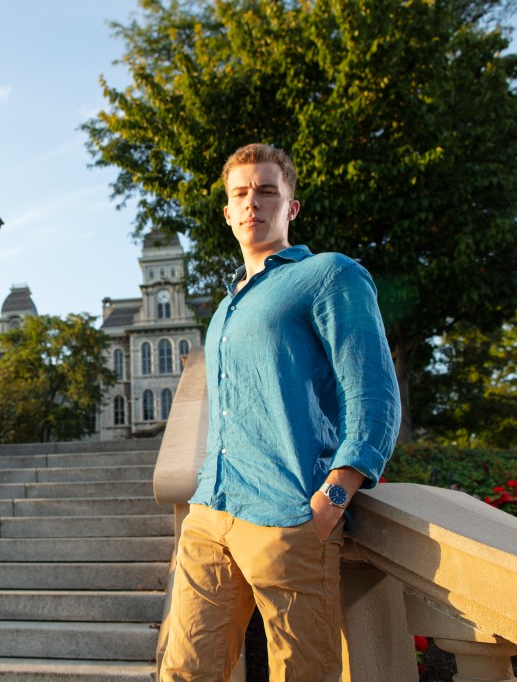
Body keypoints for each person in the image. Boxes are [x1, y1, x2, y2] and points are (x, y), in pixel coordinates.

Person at [160, 143, 401, 682]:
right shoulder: (224, 308)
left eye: (267, 191)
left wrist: (334, 495)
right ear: (226, 212)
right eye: (240, 194)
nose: (252, 203)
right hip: (210, 512)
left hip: (288, 516)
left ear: (291, 206)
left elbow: (374, 393)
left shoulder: (329, 275)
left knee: (301, 674)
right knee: (183, 672)